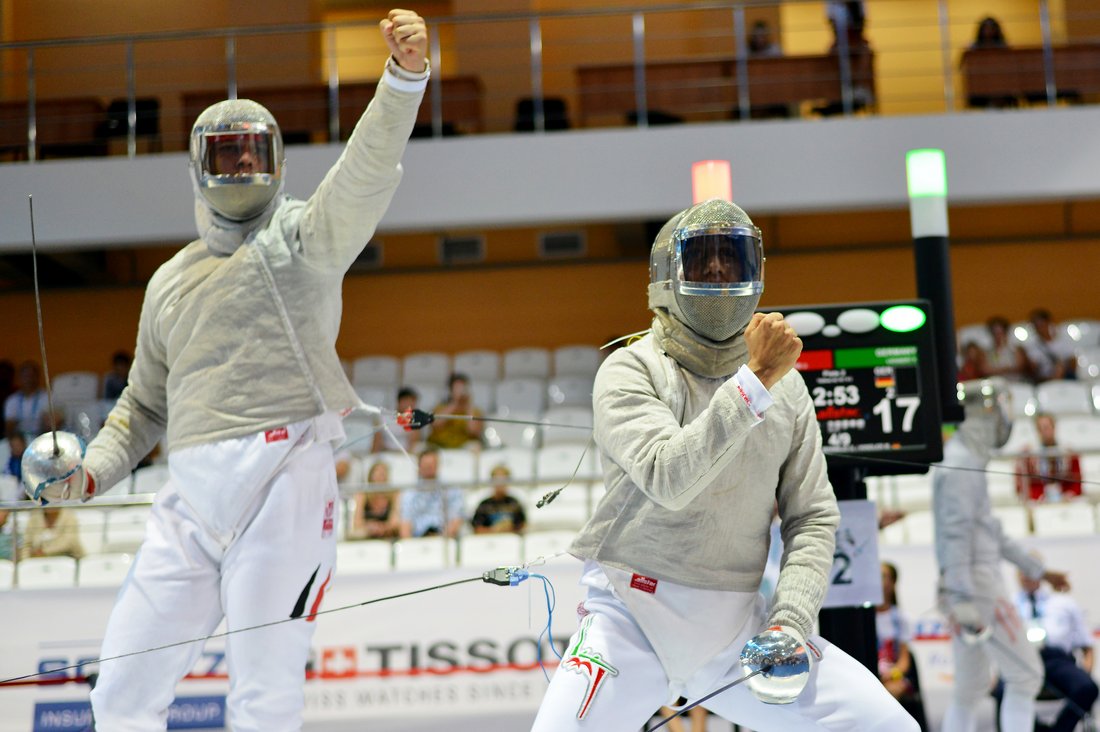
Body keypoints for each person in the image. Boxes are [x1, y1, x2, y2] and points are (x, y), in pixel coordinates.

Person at [43, 11, 431, 731]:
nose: (241, 168)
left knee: (264, 698)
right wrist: (88, 473)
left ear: (277, 163)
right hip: (188, 498)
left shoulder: (304, 238)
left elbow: (365, 173)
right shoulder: (169, 281)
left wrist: (404, 79)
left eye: (253, 155)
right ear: (200, 168)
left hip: (284, 481)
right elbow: (142, 408)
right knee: (120, 696)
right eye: (226, 157)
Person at [530, 198, 919, 731]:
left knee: (888, 727)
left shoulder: (787, 387)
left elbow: (813, 517)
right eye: (703, 259)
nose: (718, 271)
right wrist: (755, 381)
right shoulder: (629, 370)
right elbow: (671, 477)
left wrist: (790, 623)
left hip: (737, 628)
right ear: (668, 275)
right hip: (629, 617)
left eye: (732, 259)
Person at [933, 378, 1070, 732]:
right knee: (1026, 676)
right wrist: (962, 594)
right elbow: (955, 534)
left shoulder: (967, 462)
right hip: (976, 586)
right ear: (984, 413)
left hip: (967, 584)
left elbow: (989, 530)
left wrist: (1040, 570)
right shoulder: (960, 464)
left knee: (970, 687)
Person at [1012, 553, 1098, 732]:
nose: (1026, 576)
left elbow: (1086, 645)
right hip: (1021, 661)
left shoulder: (1063, 603)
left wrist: (1087, 670)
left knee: (1087, 688)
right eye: (1023, 570)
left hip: (1057, 661)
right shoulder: (1008, 604)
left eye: (1031, 570)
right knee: (1002, 692)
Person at [877, 562, 928, 729]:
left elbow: (904, 660)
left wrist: (892, 675)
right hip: (873, 675)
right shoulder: (862, 619)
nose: (879, 582)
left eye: (884, 576)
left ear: (892, 583)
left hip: (896, 676)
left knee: (892, 693)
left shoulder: (900, 618)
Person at [1015, 412, 1083, 502]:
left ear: (1054, 427)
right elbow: (1022, 485)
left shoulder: (1069, 453)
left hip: (1066, 499)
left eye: (1046, 427)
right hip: (1039, 500)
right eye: (1040, 428)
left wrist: (1069, 495)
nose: (1044, 431)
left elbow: (1077, 482)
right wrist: (1039, 497)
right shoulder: (1028, 455)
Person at [398, 448, 465, 538]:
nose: (429, 468)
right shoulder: (410, 493)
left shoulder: (451, 489)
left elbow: (457, 518)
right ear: (419, 466)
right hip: (418, 539)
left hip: (445, 539)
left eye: (431, 465)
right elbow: (405, 524)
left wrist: (443, 541)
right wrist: (410, 546)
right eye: (426, 465)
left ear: (438, 465)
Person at [427, 372, 483, 449]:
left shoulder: (474, 411)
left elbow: (473, 432)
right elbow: (436, 425)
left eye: (463, 387)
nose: (460, 390)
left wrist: (468, 405)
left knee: (475, 446)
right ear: (450, 390)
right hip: (439, 445)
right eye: (457, 388)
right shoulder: (439, 408)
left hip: (463, 447)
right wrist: (455, 402)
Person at [349, 460, 400, 540]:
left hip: (388, 535)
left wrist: (382, 528)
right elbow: (357, 523)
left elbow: (395, 522)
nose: (380, 478)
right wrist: (370, 527)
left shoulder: (394, 495)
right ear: (370, 477)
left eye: (383, 475)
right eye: (377, 475)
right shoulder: (362, 495)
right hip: (366, 534)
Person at [1024, 309, 1077, 382]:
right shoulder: (1032, 345)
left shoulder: (1062, 339)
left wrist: (1062, 367)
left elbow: (1073, 361)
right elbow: (1032, 369)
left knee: (1060, 367)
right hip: (1043, 379)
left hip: (1064, 377)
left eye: (1041, 324)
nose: (1039, 329)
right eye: (1036, 326)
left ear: (1048, 323)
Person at [470, 464, 526, 534]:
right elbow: (477, 529)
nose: (500, 484)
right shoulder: (484, 505)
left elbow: (522, 525)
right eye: (497, 480)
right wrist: (494, 530)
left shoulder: (514, 503)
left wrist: (509, 529)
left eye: (503, 480)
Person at [20, 506, 85, 560]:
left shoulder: (69, 516)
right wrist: (25, 561)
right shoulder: (34, 517)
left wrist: (44, 552)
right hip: (38, 562)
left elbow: (69, 542)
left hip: (67, 559)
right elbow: (27, 545)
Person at [3, 360, 48, 438]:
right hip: (19, 439)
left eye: (32, 376)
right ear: (19, 378)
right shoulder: (12, 400)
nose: (29, 379)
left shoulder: (46, 397)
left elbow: (50, 423)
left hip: (41, 437)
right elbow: (9, 425)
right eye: (25, 376)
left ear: (38, 377)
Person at [371, 385, 421, 454]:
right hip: (385, 453)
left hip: (405, 454)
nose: (410, 406)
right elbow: (377, 441)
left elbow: (413, 444)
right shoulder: (383, 417)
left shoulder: (415, 421)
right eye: (408, 402)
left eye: (413, 404)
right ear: (399, 402)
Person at [984, 316, 1027, 380]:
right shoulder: (987, 351)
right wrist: (1007, 369)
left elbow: (1020, 367)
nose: (998, 335)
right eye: (995, 333)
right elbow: (985, 370)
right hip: (997, 384)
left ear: (1005, 332)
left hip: (1016, 383)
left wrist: (997, 370)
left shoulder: (1016, 349)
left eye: (1000, 332)